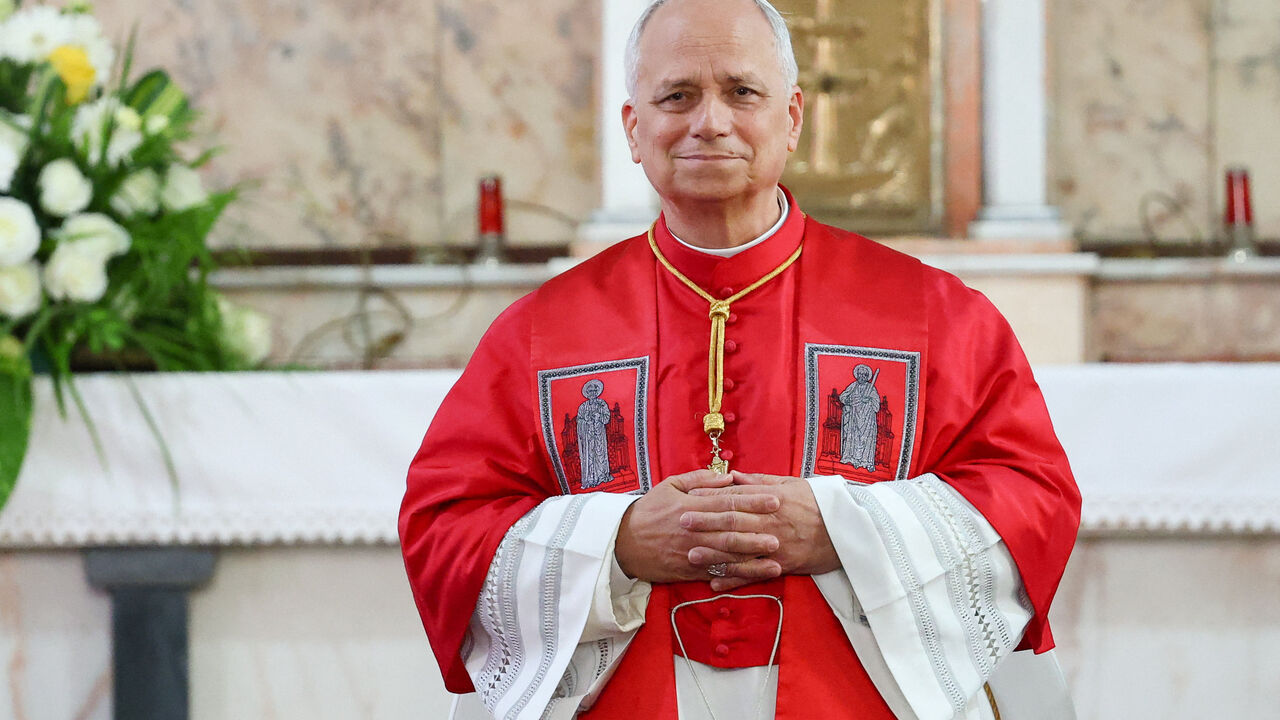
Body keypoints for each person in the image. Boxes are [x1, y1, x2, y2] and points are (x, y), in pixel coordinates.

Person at [399, 1, 1080, 718]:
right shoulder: (540, 334)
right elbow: (446, 528)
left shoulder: (931, 313)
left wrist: (840, 528)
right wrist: (618, 544)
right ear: (635, 129)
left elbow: (1033, 498)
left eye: (741, 92)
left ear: (792, 119)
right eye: (677, 96)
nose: (710, 122)